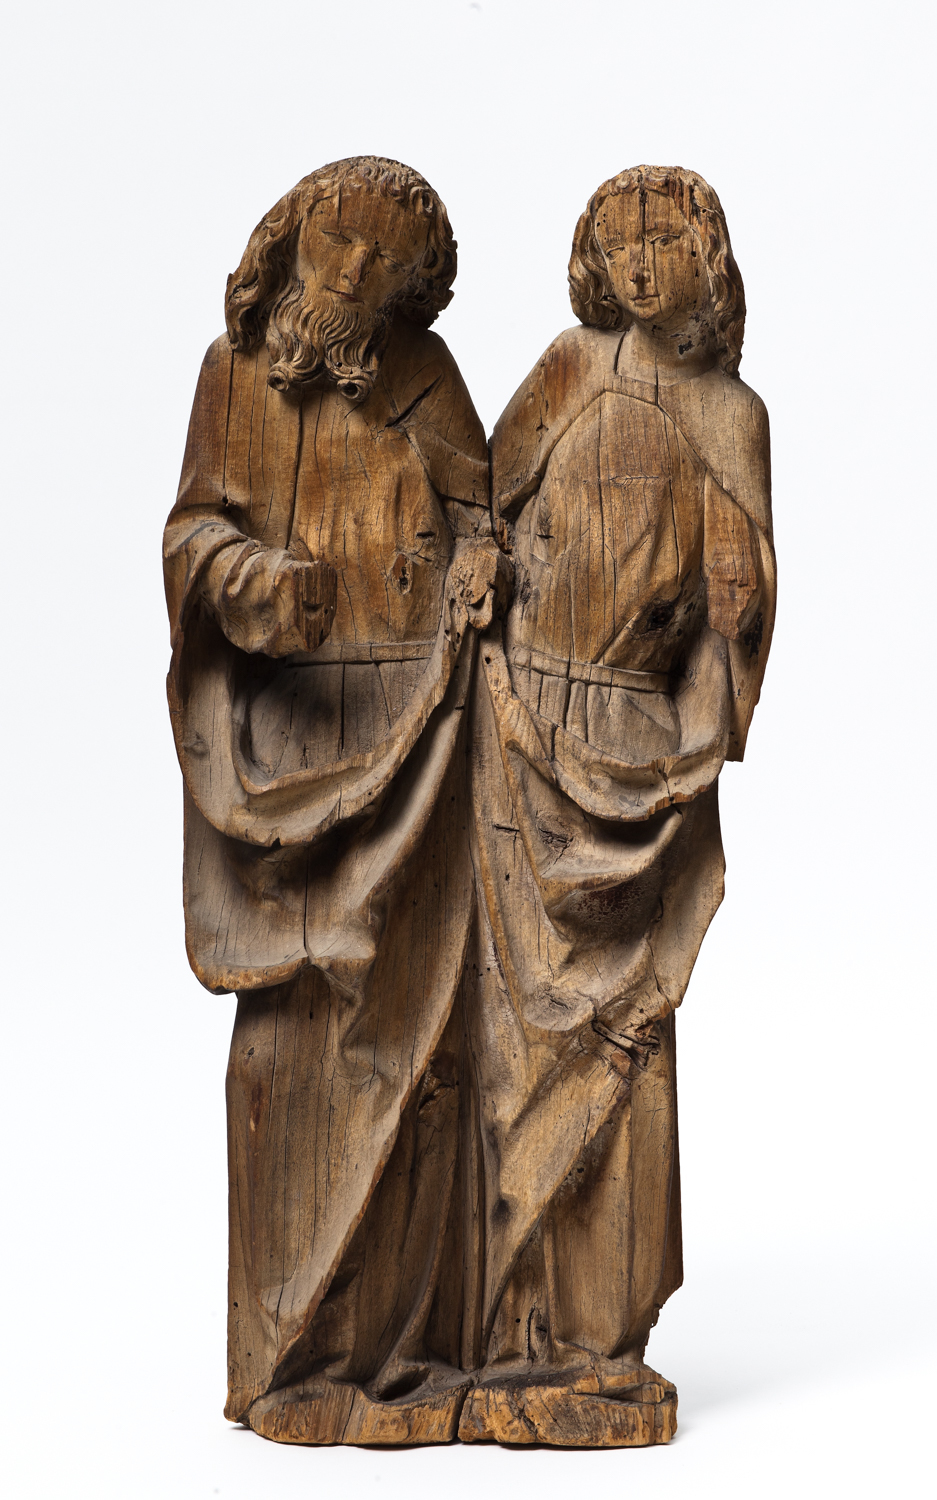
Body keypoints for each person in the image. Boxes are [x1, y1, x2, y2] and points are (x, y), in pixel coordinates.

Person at [163, 157, 506, 1445]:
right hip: (287, 735)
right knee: (288, 1044)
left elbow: (484, 515)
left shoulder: (426, 379)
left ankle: (397, 1347)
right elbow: (190, 534)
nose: (353, 275)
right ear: (291, 237)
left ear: (414, 290)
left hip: (415, 732)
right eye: (337, 243)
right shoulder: (232, 374)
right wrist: (249, 580)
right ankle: (282, 1352)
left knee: (411, 1041)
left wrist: (477, 565)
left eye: (384, 264)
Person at [458, 165, 776, 1446]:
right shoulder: (569, 367)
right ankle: (505, 1326)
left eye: (665, 240)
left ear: (709, 260)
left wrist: (736, 599)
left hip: (639, 749)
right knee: (510, 1037)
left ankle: (601, 1334)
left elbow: (740, 606)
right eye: (619, 239)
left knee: (624, 1037)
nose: (641, 262)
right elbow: (483, 498)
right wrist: (482, 559)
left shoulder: (732, 412)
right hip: (521, 734)